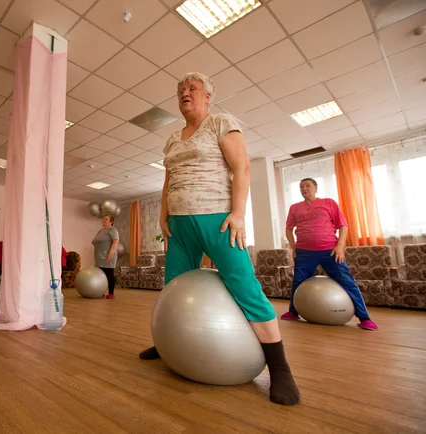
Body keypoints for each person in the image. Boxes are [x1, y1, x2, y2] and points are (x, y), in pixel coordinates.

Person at [138, 72, 300, 406]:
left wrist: (238, 214)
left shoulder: (221, 123)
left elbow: (242, 168)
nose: (186, 92)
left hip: (218, 220)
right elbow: (169, 179)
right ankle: (168, 341)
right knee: (174, 288)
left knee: (244, 286)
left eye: (192, 89)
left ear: (208, 96)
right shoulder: (171, 139)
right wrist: (163, 214)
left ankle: (279, 368)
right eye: (181, 90)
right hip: (179, 226)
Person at [280, 178, 378, 331]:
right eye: (301, 187)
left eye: (307, 186)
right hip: (304, 253)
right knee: (298, 282)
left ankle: (364, 318)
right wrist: (293, 248)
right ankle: (293, 311)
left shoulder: (328, 203)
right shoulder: (294, 207)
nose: (304, 188)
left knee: (347, 281)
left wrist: (340, 246)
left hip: (330, 251)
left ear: (316, 188)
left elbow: (343, 225)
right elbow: (288, 229)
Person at [92, 215, 119, 299]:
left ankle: (111, 293)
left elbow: (115, 242)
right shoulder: (100, 231)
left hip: (108, 256)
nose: (104, 221)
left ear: (111, 221)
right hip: (99, 257)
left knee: (109, 274)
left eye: (106, 219)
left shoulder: (112, 230)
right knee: (100, 275)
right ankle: (102, 291)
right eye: (103, 219)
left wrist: (111, 253)